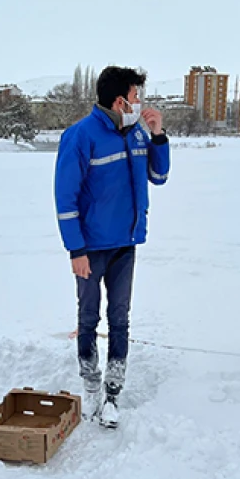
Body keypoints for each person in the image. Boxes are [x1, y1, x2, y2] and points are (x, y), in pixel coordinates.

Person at [53, 66, 170, 429]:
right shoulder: (80, 137)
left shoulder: (137, 134)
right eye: (137, 97)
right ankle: (90, 384)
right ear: (120, 100)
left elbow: (159, 176)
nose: (141, 103)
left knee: (120, 319)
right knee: (89, 318)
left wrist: (158, 135)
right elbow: (65, 197)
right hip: (90, 248)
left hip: (125, 244)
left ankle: (113, 391)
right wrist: (76, 250)